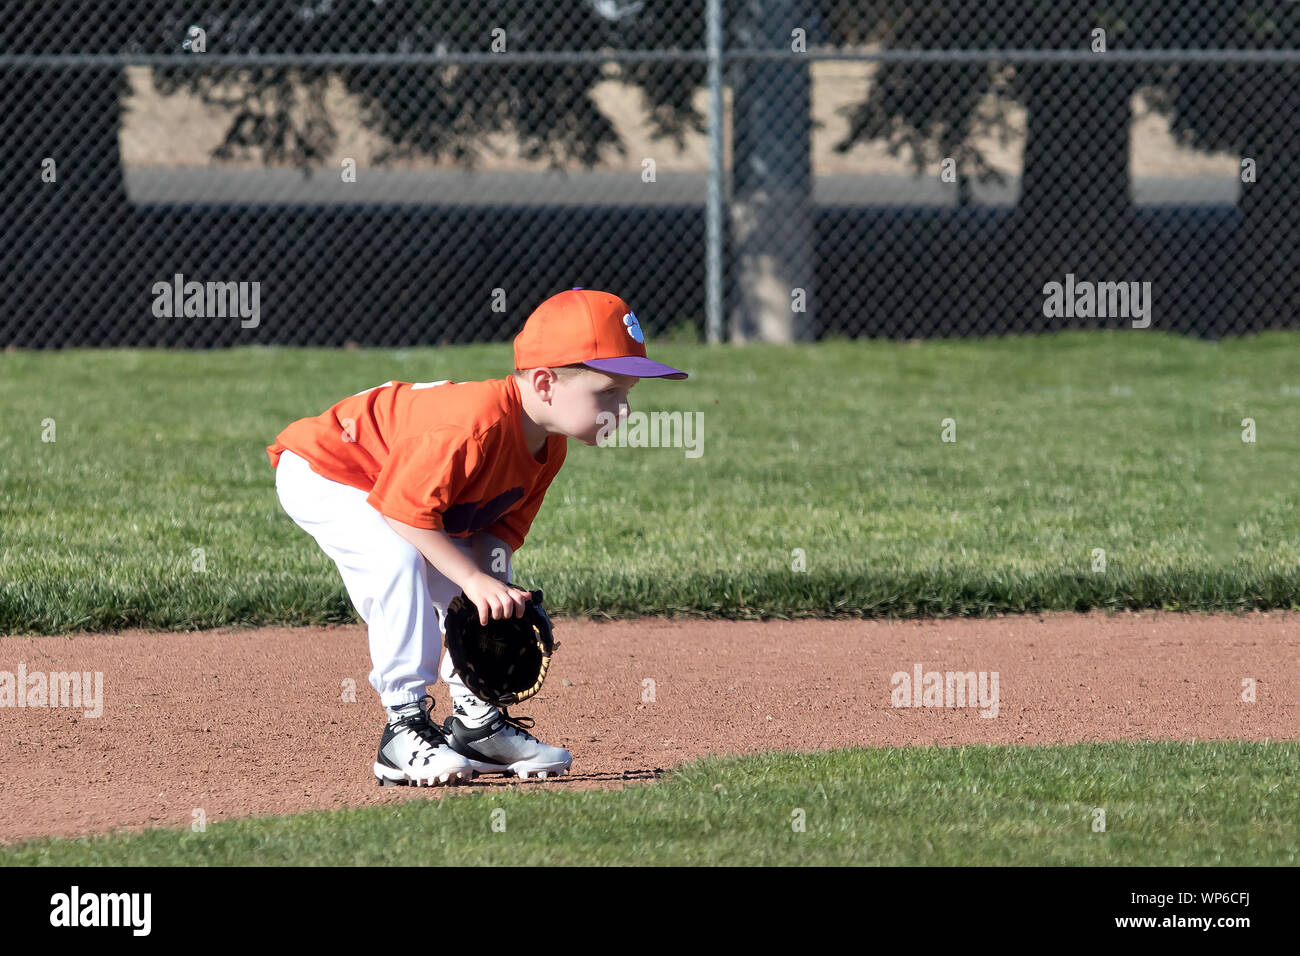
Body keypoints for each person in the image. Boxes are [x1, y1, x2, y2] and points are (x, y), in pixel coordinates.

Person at [266, 288, 689, 785]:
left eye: (627, 395)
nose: (623, 409)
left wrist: (489, 591)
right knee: (400, 558)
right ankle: (402, 728)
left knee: (485, 581)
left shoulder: (548, 449)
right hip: (329, 468)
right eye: (609, 392)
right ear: (546, 383)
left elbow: (493, 538)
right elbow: (404, 515)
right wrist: (471, 578)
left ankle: (476, 724)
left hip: (399, 486)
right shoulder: (474, 426)